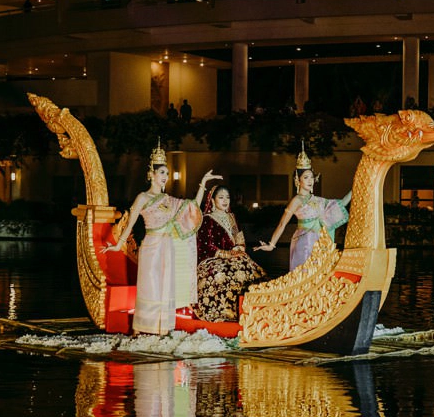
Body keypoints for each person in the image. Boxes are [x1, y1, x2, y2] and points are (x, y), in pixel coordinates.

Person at [102, 140, 221, 335]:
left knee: (166, 286)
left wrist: (203, 184)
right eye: (162, 173)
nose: (165, 177)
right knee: (150, 286)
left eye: (166, 173)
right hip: (151, 245)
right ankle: (141, 327)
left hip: (168, 246)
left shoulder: (168, 200)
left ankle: (162, 327)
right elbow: (130, 222)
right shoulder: (143, 197)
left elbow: (192, 207)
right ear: (151, 174)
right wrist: (118, 244)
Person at [254, 143, 351, 271]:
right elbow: (282, 223)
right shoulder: (296, 200)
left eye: (311, 177)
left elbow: (341, 203)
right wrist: (272, 244)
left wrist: (357, 184)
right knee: (304, 275)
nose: (310, 180)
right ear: (297, 180)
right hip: (304, 242)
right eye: (306, 177)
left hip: (319, 242)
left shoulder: (318, 200)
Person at [195, 185, 266, 322]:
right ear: (213, 200)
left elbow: (239, 238)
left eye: (227, 197)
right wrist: (226, 254)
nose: (225, 200)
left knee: (252, 270)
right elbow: (205, 245)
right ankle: (226, 312)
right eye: (221, 197)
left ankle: (253, 310)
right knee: (222, 273)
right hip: (213, 259)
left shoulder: (232, 217)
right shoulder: (207, 219)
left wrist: (239, 248)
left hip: (235, 256)